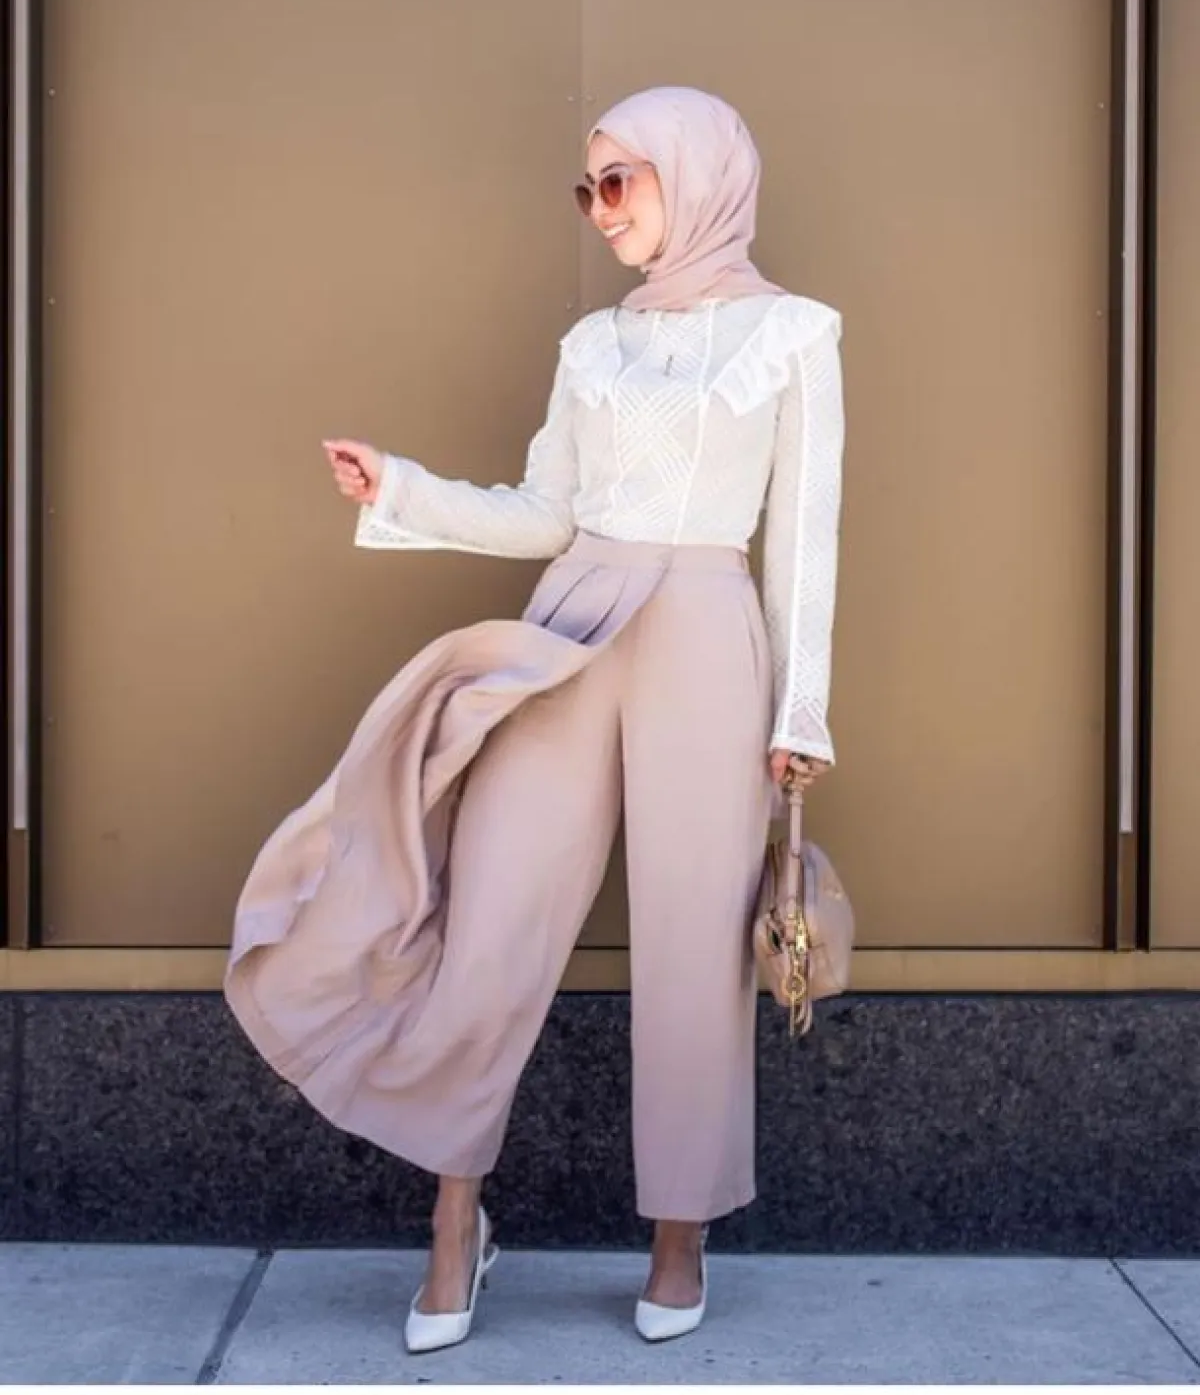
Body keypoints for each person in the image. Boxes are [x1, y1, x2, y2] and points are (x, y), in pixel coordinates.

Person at [224, 85, 845, 1353]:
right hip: (574, 623)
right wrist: (402, 488)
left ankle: (680, 1234)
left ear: (696, 175)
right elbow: (545, 512)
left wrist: (803, 711)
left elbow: (805, 542)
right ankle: (457, 1223)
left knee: (695, 942)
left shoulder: (793, 335)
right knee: (493, 925)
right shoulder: (592, 344)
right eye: (587, 186)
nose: (599, 207)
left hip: (709, 636)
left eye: (620, 179)